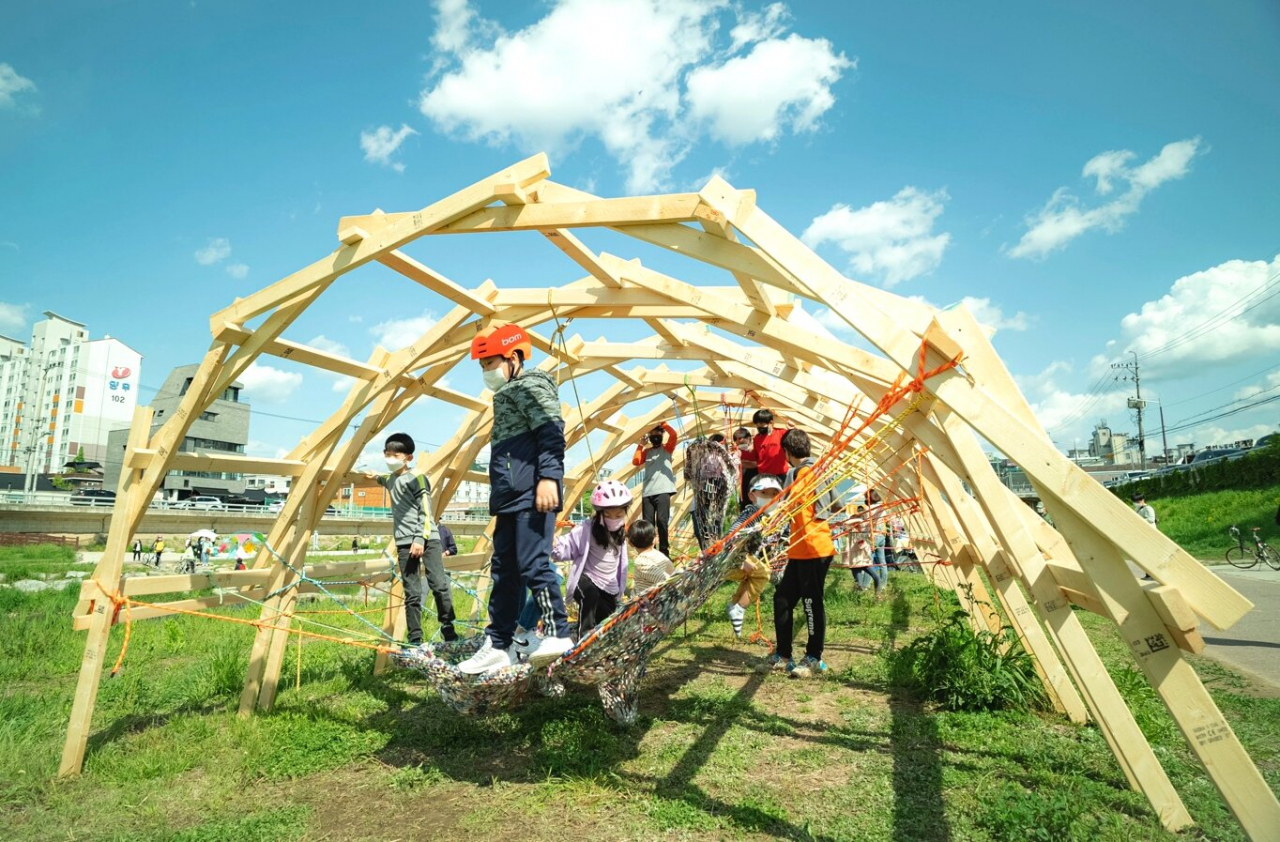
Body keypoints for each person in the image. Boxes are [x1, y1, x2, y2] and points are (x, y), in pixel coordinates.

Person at [458, 323, 573, 674]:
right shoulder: (507, 393)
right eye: (482, 367)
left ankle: (558, 633)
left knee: (533, 562)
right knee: (504, 570)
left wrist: (549, 478)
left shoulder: (532, 386)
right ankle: (499, 644)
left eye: (490, 363)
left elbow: (551, 433)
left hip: (531, 492)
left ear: (512, 357)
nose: (486, 372)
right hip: (509, 495)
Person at [366, 432, 457, 647]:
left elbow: (426, 510)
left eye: (395, 455)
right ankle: (415, 639)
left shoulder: (417, 477)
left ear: (408, 457)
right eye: (387, 455)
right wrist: (373, 475)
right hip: (403, 541)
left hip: (426, 538)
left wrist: (420, 538)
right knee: (412, 592)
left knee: (438, 584)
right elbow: (384, 479)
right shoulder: (390, 479)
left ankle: (448, 628)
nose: (390, 459)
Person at [758, 429, 836, 679]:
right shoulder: (812, 471)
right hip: (800, 550)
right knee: (782, 598)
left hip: (814, 548)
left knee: (812, 604)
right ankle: (783, 655)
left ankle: (814, 657)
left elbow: (795, 507)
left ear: (787, 452)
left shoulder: (804, 473)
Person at [555, 480, 633, 639]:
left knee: (607, 623)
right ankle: (583, 638)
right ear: (599, 513)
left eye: (618, 515)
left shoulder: (621, 533)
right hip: (585, 579)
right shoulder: (587, 528)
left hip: (608, 586)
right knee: (589, 594)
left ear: (625, 512)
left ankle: (597, 641)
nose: (613, 519)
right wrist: (554, 543)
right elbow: (568, 545)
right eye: (608, 515)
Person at [725, 475, 787, 637]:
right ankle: (738, 608)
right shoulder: (751, 514)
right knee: (762, 574)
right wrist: (743, 559)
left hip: (739, 561)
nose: (771, 498)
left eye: (775, 494)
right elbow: (732, 536)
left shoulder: (773, 517)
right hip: (732, 560)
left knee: (755, 576)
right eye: (765, 493)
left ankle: (735, 604)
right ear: (752, 496)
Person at [634, 420, 678, 557]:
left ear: (662, 434)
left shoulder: (667, 448)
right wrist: (640, 445)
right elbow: (636, 461)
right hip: (648, 492)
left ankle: (664, 551)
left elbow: (674, 435)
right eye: (652, 433)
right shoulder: (647, 452)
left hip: (663, 490)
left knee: (662, 521)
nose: (655, 435)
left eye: (658, 432)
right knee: (648, 524)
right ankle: (650, 551)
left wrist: (663, 424)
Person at [685, 432, 733, 551]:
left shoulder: (719, 459)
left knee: (711, 529)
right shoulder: (700, 462)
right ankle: (710, 551)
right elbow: (687, 474)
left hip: (710, 501)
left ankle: (713, 550)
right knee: (704, 530)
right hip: (699, 505)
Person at [629, 518, 675, 594]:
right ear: (655, 539)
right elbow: (672, 571)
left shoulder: (641, 562)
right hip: (661, 598)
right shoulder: (659, 554)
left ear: (630, 543)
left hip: (646, 603)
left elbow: (666, 580)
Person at [749, 409, 788, 483]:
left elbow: (798, 439)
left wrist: (793, 428)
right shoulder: (757, 438)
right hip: (763, 476)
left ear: (771, 422)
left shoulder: (781, 434)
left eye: (761, 423)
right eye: (757, 423)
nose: (758, 426)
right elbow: (755, 457)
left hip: (780, 475)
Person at [733, 426, 756, 506]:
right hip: (743, 488)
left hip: (753, 484)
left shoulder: (753, 450)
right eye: (737, 439)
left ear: (749, 438)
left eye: (742, 438)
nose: (740, 440)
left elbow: (755, 464)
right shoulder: (736, 453)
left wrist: (738, 461)